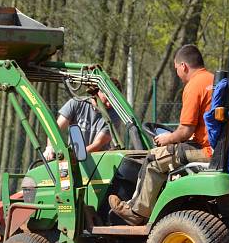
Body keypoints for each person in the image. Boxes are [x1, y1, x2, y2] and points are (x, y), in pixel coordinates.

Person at [109, 44, 214, 226]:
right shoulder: (217, 81)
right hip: (221, 149)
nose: (178, 74)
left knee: (153, 158)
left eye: (176, 69)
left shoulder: (194, 86)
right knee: (170, 154)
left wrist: (167, 138)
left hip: (207, 152)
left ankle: (136, 211)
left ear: (183, 66)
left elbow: (185, 130)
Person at [43, 78, 122, 160]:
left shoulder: (114, 116)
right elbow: (56, 128)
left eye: (112, 101)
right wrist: (50, 147)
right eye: (106, 99)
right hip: (74, 159)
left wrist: (73, 157)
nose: (109, 104)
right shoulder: (76, 103)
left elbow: (97, 144)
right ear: (98, 91)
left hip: (97, 160)